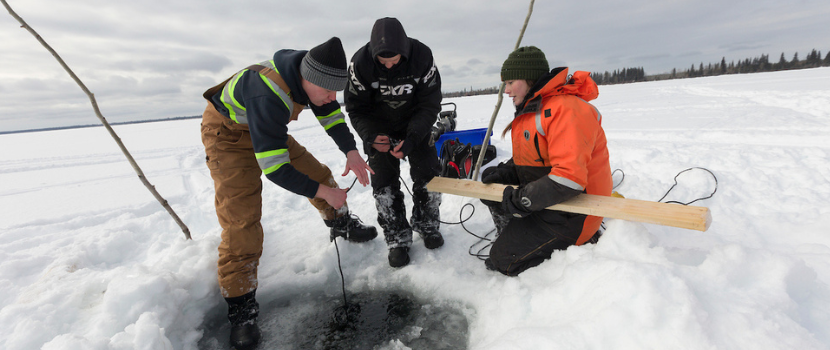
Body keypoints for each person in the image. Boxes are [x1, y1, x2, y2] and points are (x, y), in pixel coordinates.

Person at [200, 37, 377, 349]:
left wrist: (350, 151)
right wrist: (325, 192)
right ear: (307, 81)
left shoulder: (314, 79)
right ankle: (242, 310)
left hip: (264, 127)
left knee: (319, 174)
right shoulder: (267, 92)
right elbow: (276, 169)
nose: (332, 97)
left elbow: (331, 114)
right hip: (227, 136)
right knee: (242, 222)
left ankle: (340, 223)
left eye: (337, 91)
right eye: (328, 91)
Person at [480, 46, 612, 276]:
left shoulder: (566, 110)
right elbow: (535, 156)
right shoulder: (535, 109)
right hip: (553, 203)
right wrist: (506, 173)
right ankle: (521, 238)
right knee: (494, 195)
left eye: (511, 82)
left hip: (576, 212)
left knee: (502, 261)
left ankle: (575, 251)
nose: (507, 91)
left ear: (529, 79)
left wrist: (522, 201)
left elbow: (569, 179)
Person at [344, 17, 444, 268]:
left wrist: (412, 138)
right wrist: (370, 136)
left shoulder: (422, 57)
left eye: (394, 60)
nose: (388, 66)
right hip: (379, 128)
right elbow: (356, 109)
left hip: (415, 124)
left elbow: (429, 104)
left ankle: (427, 223)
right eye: (383, 61)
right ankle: (396, 236)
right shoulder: (360, 64)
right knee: (383, 183)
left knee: (429, 173)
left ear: (405, 52)